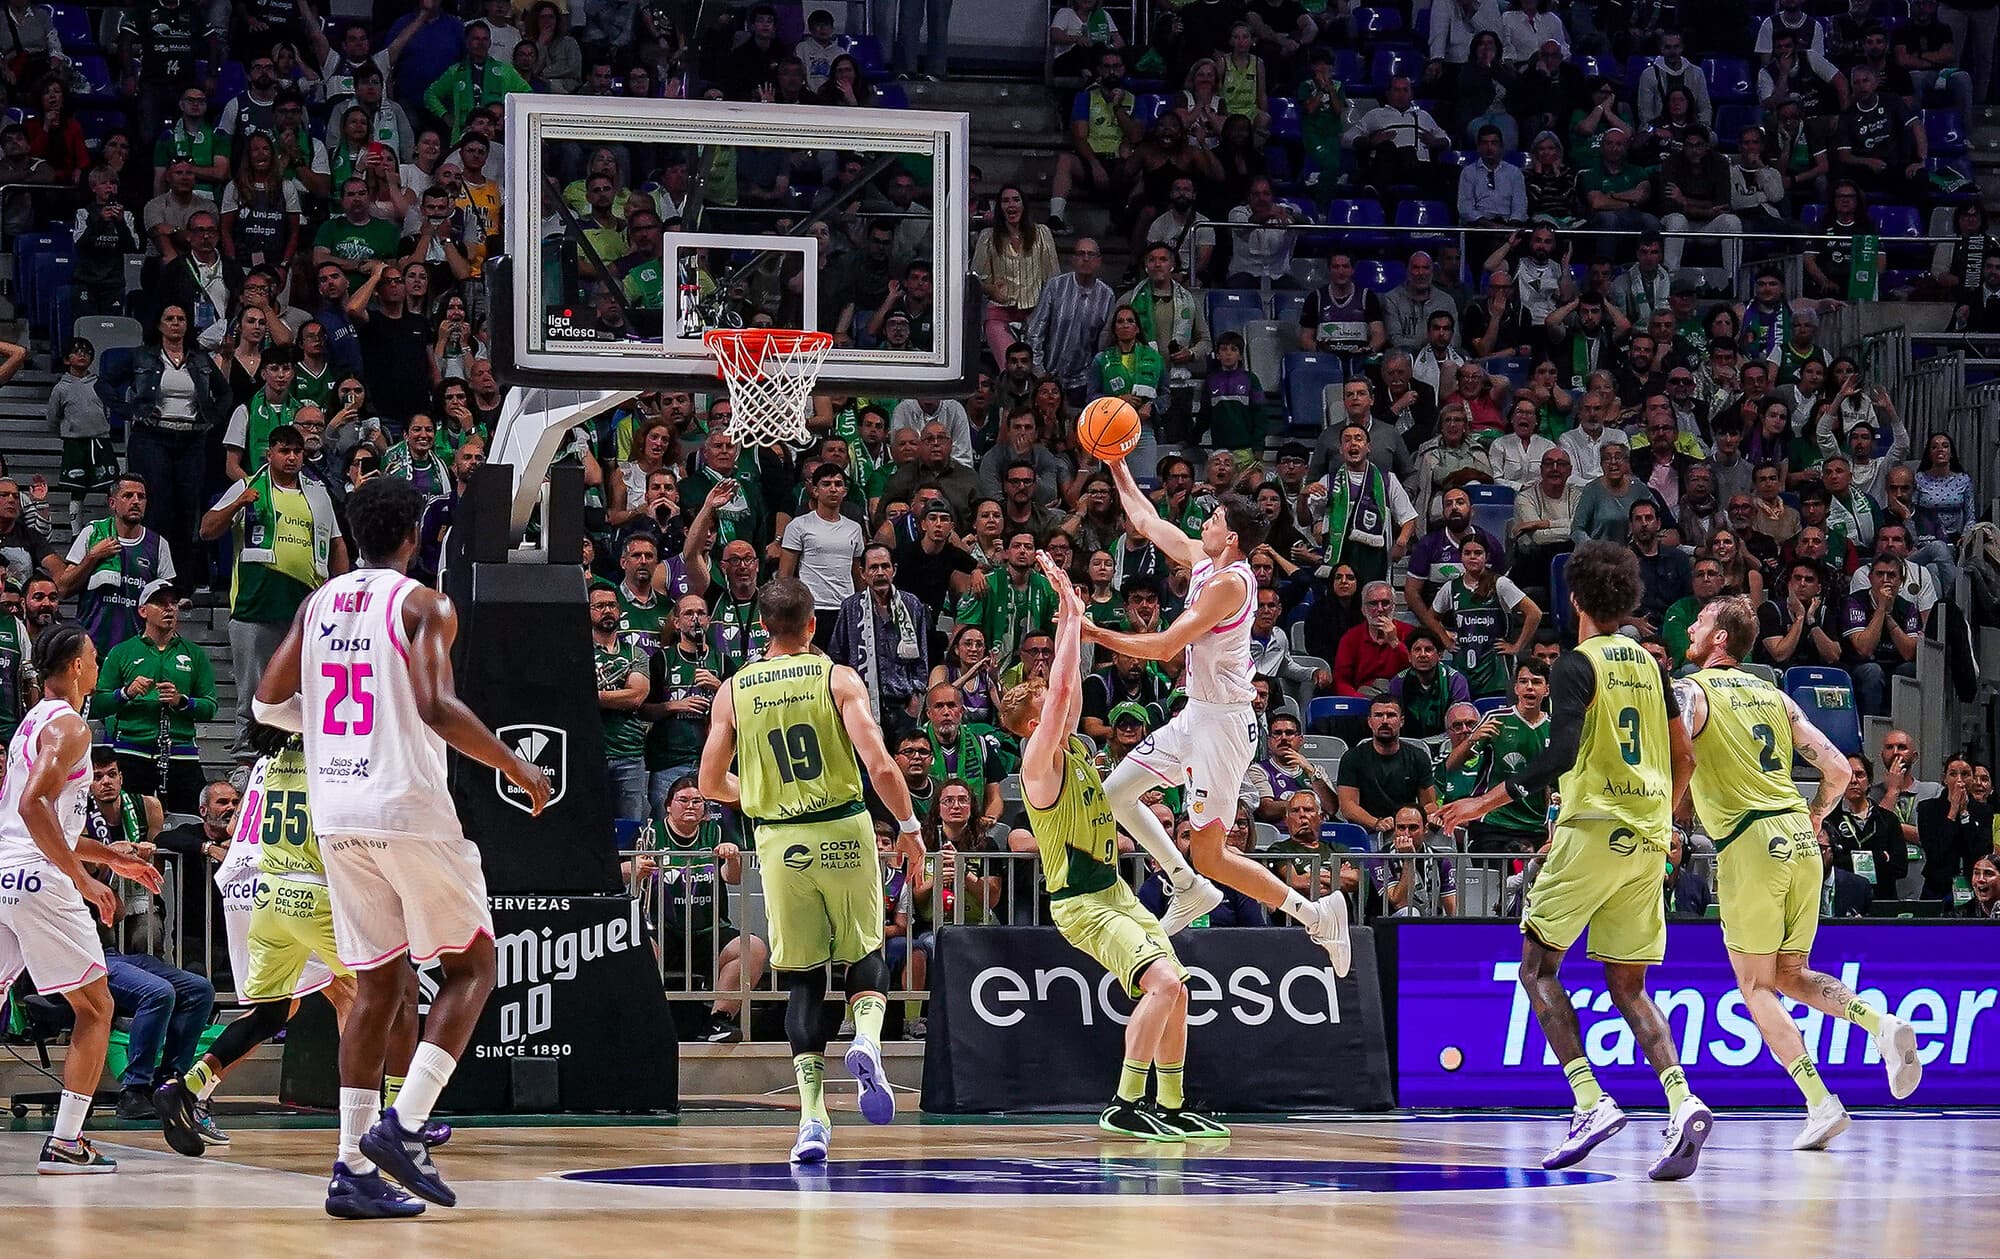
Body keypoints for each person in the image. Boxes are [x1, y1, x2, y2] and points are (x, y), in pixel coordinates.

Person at [253, 475, 551, 1219]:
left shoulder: (318, 604)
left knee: (377, 986)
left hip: (337, 812)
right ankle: (406, 1123)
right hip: (406, 806)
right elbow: (436, 706)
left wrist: (335, 730)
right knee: (473, 966)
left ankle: (351, 1168)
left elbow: (265, 703)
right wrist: (517, 765)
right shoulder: (423, 604)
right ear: (417, 536)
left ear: (351, 536)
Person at [1438, 541, 1709, 1180]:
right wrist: (1664, 819)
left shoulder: (1575, 665)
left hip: (1592, 829)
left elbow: (1560, 755)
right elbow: (1686, 757)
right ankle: (1682, 1101)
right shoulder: (1652, 667)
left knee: (1537, 967)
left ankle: (1590, 1100)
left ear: (1577, 598)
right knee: (1630, 985)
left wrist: (1482, 802)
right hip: (1648, 841)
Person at [1083, 456, 1351, 967]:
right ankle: (1185, 885)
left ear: (1230, 537)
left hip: (1223, 727)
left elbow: (1165, 647)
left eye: (1213, 518)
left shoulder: (1232, 583)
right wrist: (1116, 464)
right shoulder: (1206, 560)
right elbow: (1147, 521)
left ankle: (1317, 915)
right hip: (1196, 715)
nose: (1203, 523)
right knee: (1115, 794)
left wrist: (1093, 631)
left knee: (1212, 854)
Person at [1677, 596, 1922, 1147]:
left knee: (1754, 985)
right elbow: (1838, 769)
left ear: (1720, 638)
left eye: (1701, 621)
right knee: (1791, 974)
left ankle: (1819, 1100)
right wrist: (1815, 815)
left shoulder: (1692, 691)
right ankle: (1880, 1024)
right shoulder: (1777, 696)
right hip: (1801, 838)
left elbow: (1677, 755)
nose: (1691, 627)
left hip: (1749, 842)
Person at [1004, 553, 1226, 1141]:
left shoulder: (1072, 746)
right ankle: (1125, 1103)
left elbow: (1068, 689)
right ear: (1029, 725)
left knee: (1178, 990)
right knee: (1164, 984)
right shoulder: (1038, 764)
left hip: (1115, 892)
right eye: (1043, 706)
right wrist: (1071, 614)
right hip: (1081, 902)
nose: (1058, 705)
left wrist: (1069, 618)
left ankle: (1172, 1104)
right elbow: (1059, 692)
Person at [698, 576, 919, 1165]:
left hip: (778, 839)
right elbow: (880, 764)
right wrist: (910, 828)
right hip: (843, 827)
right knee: (863, 950)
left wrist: (758, 791)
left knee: (803, 978)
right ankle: (867, 1038)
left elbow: (709, 783)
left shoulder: (734, 690)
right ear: (813, 624)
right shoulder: (837, 678)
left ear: (762, 627)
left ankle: (812, 1119)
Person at [0, 624, 163, 1173]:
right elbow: (33, 806)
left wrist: (111, 858)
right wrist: (82, 880)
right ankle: (67, 1142)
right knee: (96, 1008)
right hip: (39, 880)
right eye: (94, 657)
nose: (99, 665)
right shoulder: (70, 725)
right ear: (75, 667)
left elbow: (47, 822)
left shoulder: (32, 722)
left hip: (6, 874)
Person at [90, 579, 216, 812]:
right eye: (160, 603)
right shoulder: (121, 652)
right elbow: (96, 705)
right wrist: (125, 693)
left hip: (181, 750)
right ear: (142, 611)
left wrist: (182, 701)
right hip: (131, 749)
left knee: (192, 820)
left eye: (173, 603)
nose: (169, 608)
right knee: (132, 820)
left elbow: (210, 706)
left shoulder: (195, 654)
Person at [1916, 755, 1994, 902]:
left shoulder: (1984, 811)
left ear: (1972, 778)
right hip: (1937, 887)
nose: (1959, 780)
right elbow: (1935, 852)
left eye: (1965, 774)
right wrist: (1952, 811)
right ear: (1944, 778)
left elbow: (1982, 852)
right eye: (1953, 774)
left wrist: (1964, 814)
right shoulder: (1927, 808)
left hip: (1972, 886)